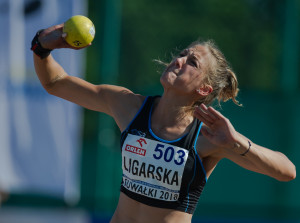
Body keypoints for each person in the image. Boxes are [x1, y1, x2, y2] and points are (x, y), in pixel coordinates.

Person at [31, 23, 296, 223]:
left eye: (191, 62)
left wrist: (237, 142)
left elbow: (287, 171)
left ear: (204, 89)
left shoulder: (208, 138)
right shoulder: (129, 106)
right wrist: (41, 47)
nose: (178, 60)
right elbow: (55, 83)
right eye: (182, 54)